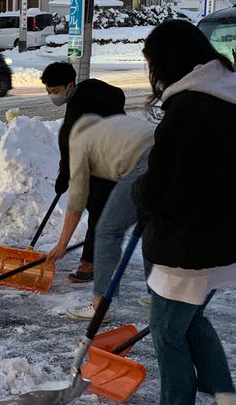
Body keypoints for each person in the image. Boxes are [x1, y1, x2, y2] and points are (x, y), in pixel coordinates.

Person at [127, 20, 236, 405]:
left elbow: (166, 186)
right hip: (232, 235)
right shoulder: (235, 94)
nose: (153, 75)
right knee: (190, 319)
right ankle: (227, 404)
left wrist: (141, 192)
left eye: (153, 65)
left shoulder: (191, 109)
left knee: (167, 331)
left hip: (194, 241)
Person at [45, 113, 155, 321]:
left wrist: (62, 245)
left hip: (143, 163)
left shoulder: (79, 143)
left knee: (107, 231)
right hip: (170, 152)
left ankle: (99, 306)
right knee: (152, 226)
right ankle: (159, 294)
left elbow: (77, 201)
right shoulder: (107, 128)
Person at [41, 61, 126, 283]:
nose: (53, 96)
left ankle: (91, 263)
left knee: (97, 206)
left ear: (70, 85)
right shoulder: (90, 87)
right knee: (100, 209)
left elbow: (69, 145)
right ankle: (104, 255)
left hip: (110, 159)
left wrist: (64, 176)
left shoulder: (79, 109)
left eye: (56, 91)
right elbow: (119, 94)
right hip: (110, 150)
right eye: (49, 91)